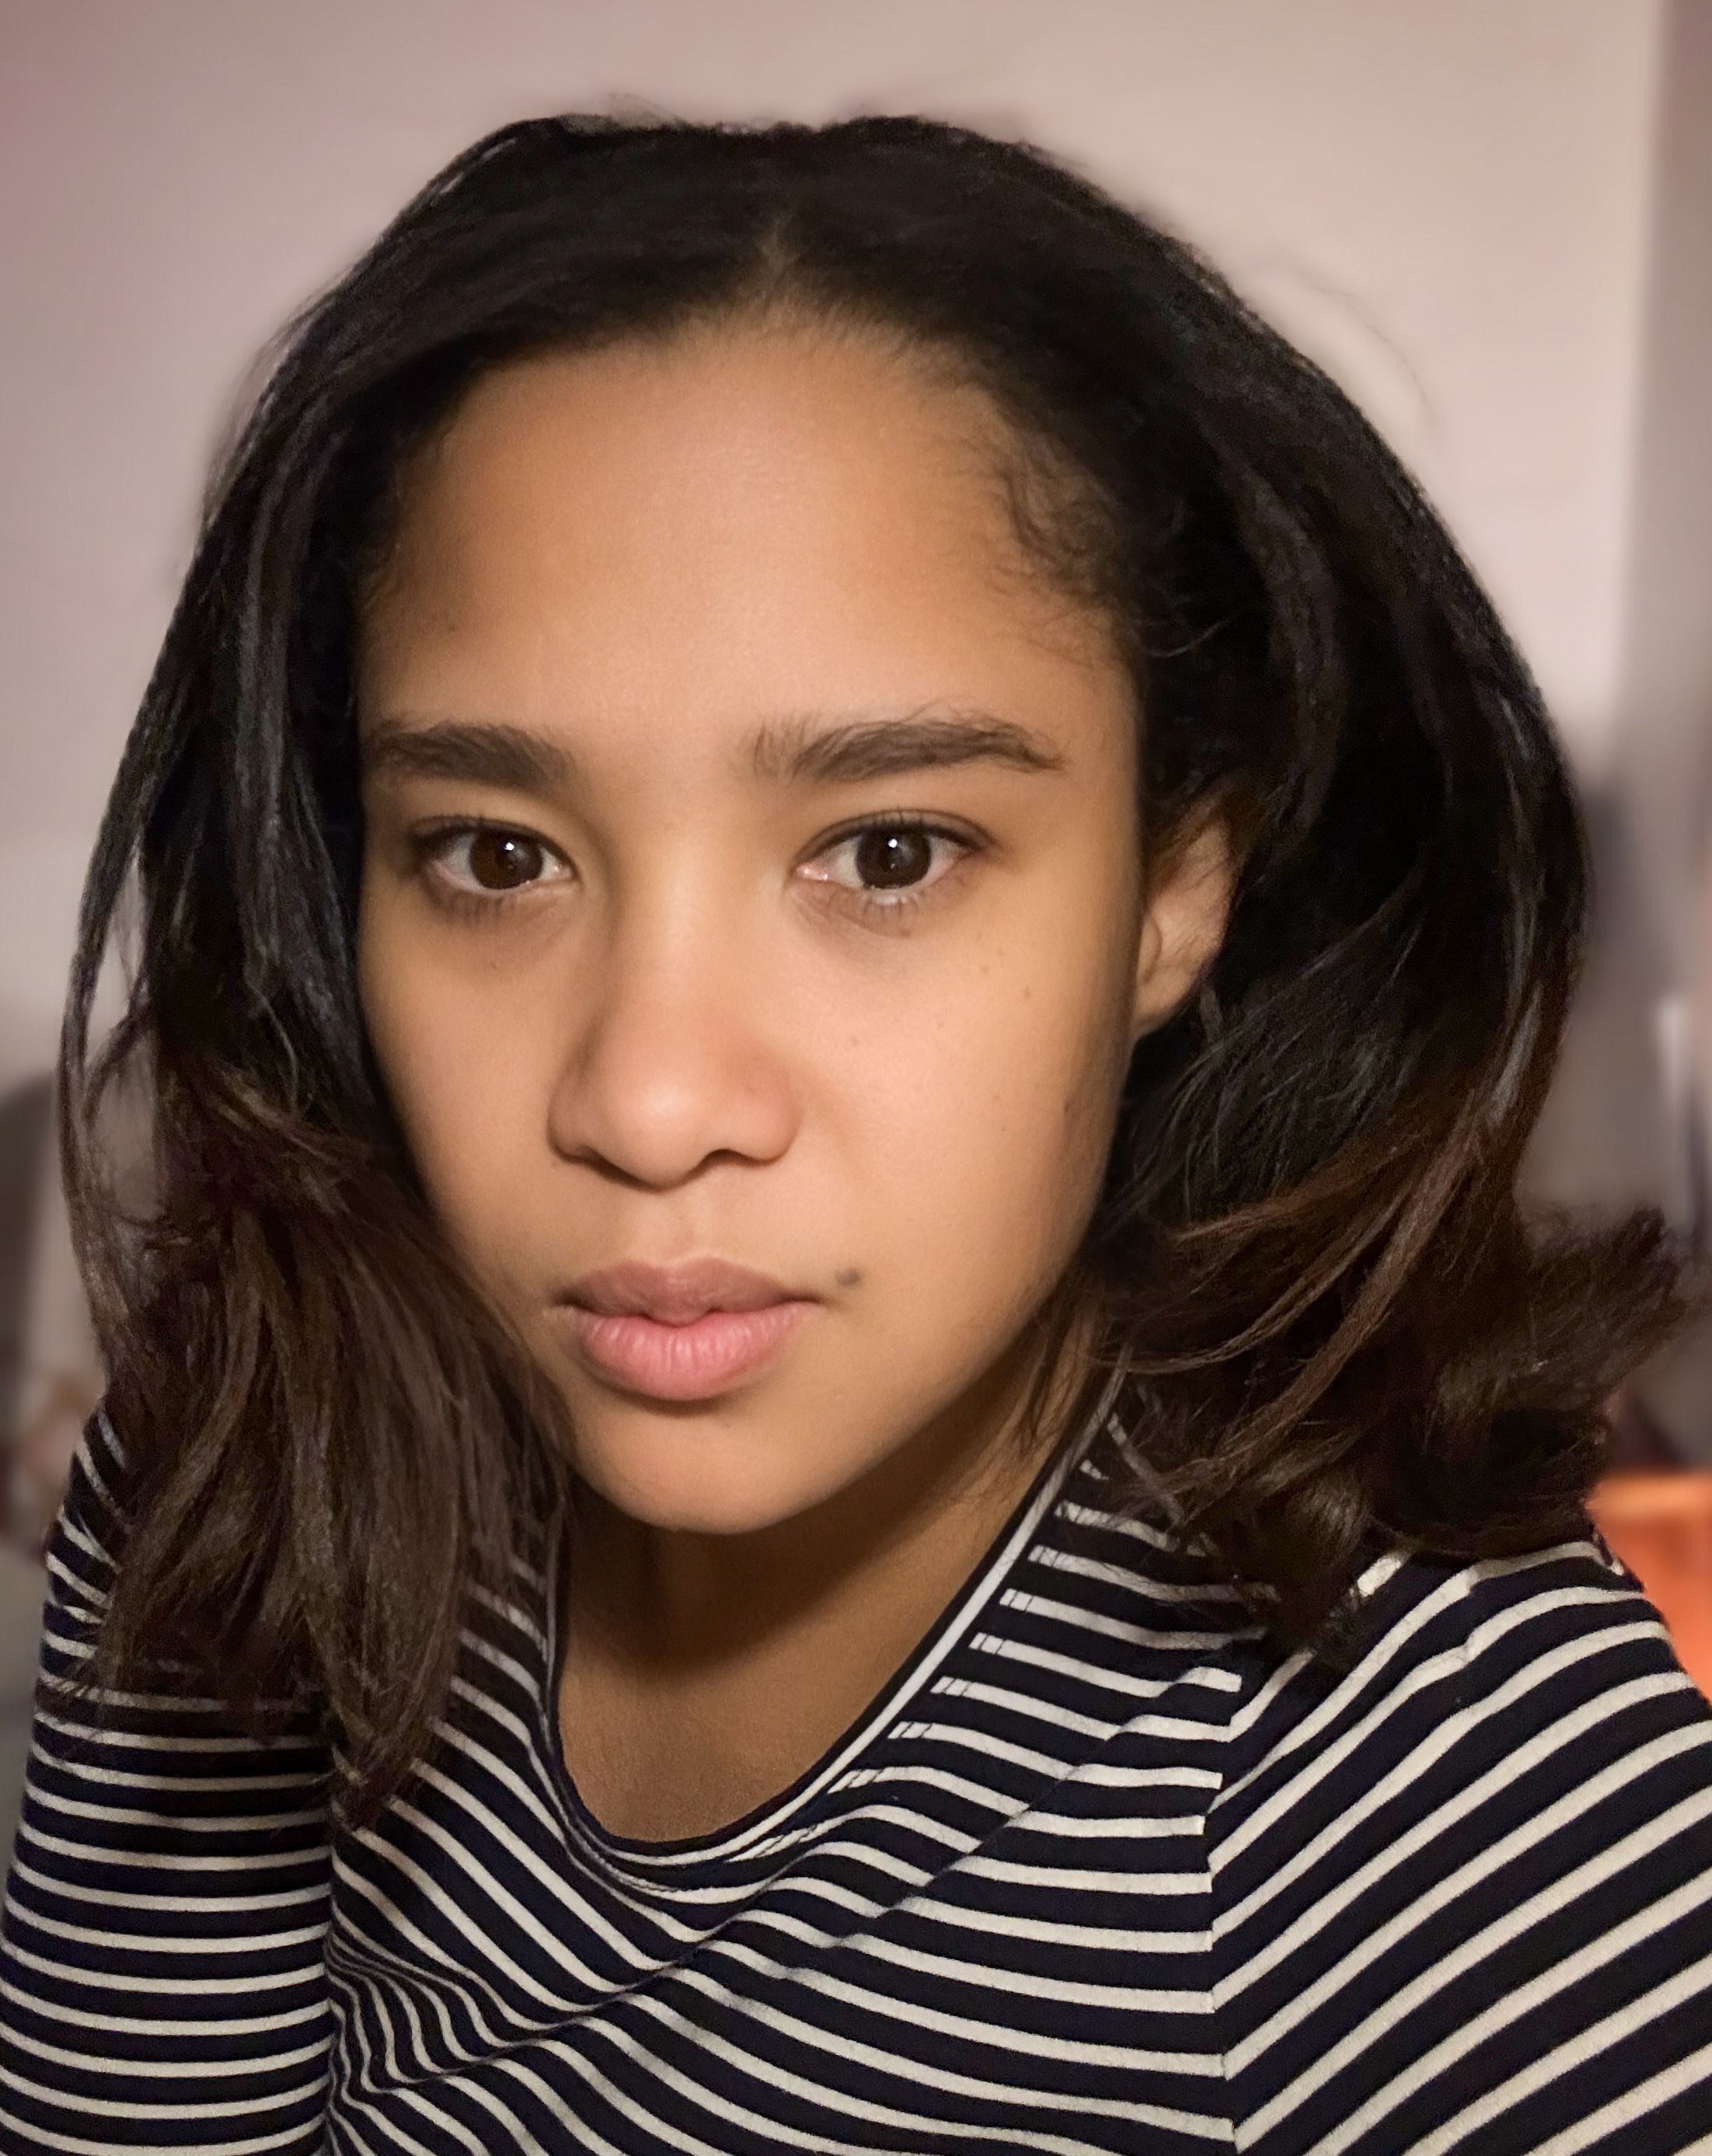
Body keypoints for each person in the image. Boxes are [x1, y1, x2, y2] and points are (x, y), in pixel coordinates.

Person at [2, 113, 1707, 2155]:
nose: (647, 1102)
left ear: (1174, 888)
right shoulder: (249, 1456)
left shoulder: (1448, 1824)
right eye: (494, 853)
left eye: (888, 852)